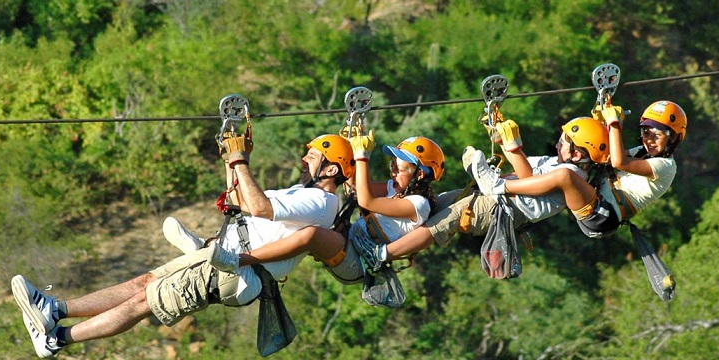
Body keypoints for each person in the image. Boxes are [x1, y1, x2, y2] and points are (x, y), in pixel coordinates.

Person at [11, 132, 355, 358]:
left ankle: (55, 340)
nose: (303, 160)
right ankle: (54, 309)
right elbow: (241, 200)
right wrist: (231, 161)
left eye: (312, 156)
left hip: (233, 270)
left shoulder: (319, 202)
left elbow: (261, 207)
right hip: (222, 258)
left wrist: (241, 162)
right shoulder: (302, 195)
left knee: (142, 303)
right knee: (142, 284)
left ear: (332, 169)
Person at [351, 116, 609, 270]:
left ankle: (382, 256)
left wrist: (513, 149)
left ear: (577, 153)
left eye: (564, 141)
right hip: (502, 197)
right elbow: (525, 171)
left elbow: (528, 179)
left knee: (448, 218)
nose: (558, 142)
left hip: (509, 208)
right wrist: (503, 138)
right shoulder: (557, 162)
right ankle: (490, 182)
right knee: (442, 201)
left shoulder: (573, 177)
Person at [192, 133, 446, 287]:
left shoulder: (418, 204)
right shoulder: (393, 188)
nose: (393, 171)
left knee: (312, 234)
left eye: (399, 168)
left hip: (358, 264)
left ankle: (239, 260)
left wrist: (362, 156)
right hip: (351, 245)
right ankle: (210, 246)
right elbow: (356, 187)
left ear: (420, 174)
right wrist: (348, 143)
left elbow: (366, 201)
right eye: (392, 165)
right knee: (303, 222)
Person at [470, 101, 687, 238]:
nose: (649, 139)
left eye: (657, 135)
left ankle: (498, 186)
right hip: (595, 198)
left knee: (565, 176)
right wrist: (601, 118)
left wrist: (613, 125)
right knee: (550, 170)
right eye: (646, 133)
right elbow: (611, 155)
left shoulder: (665, 166)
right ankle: (499, 179)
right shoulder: (643, 151)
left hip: (602, 216)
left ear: (675, 138)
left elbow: (619, 162)